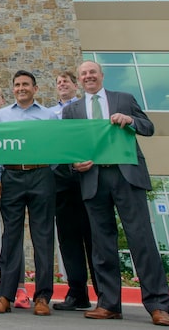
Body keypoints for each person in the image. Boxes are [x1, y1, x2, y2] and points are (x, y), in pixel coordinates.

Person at [63, 61, 169, 327]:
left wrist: (131, 120)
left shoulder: (123, 99)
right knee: (102, 246)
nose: (89, 76)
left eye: (92, 72)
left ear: (101, 75)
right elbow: (68, 147)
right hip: (93, 179)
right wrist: (74, 165)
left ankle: (158, 305)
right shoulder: (72, 110)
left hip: (126, 176)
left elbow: (148, 127)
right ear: (79, 80)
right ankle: (109, 304)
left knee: (141, 240)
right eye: (84, 74)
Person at [0, 70, 58, 316]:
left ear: (35, 89)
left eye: (25, 84)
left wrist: (49, 171)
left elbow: (59, 146)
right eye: (17, 85)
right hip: (11, 177)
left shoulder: (49, 116)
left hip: (41, 177)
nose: (21, 88)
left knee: (43, 238)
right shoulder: (4, 115)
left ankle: (42, 298)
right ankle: (4, 296)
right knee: (10, 239)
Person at [51, 70, 96, 311]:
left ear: (75, 85)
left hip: (88, 180)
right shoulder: (50, 114)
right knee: (68, 241)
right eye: (58, 82)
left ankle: (106, 295)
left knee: (94, 239)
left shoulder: (87, 109)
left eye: (65, 81)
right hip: (61, 182)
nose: (61, 85)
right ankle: (78, 294)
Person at [0, 85, 28, 308]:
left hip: (9, 181)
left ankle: (19, 288)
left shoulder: (10, 120)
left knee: (12, 234)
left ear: (3, 99)